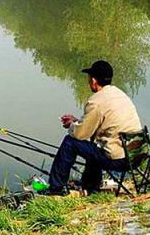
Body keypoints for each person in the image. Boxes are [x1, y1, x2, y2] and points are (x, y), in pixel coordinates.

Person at [48, 60, 142, 195]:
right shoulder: (119, 94)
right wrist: (77, 121)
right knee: (95, 147)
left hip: (119, 161)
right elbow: (99, 122)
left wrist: (71, 126)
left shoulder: (96, 101)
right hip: (137, 156)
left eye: (88, 78)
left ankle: (56, 189)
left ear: (93, 80)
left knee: (70, 142)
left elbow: (81, 134)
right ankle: (90, 186)